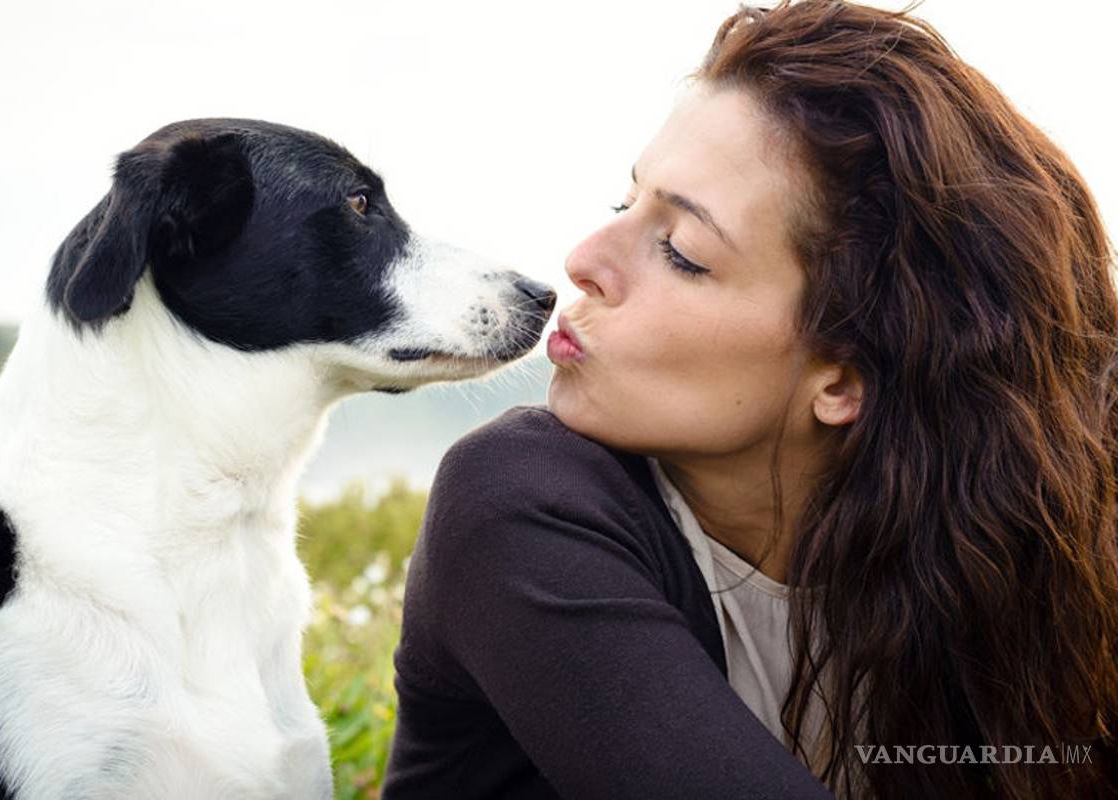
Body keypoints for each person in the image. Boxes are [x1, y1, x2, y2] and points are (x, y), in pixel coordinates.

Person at [381, 1, 1118, 797]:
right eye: (624, 204)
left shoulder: (1036, 557)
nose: (584, 259)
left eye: (682, 252)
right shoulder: (522, 505)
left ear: (842, 378)